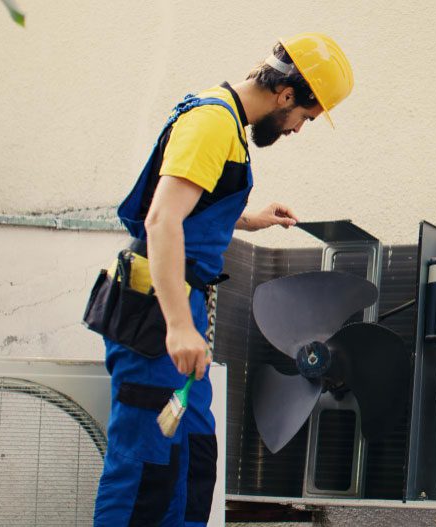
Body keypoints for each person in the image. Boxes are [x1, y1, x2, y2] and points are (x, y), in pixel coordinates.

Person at [93, 33, 353, 526]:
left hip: (177, 307)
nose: (299, 129)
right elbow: (161, 221)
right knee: (145, 469)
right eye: (306, 117)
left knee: (190, 462)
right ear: (286, 94)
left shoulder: (227, 123)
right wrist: (177, 326)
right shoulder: (213, 123)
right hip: (156, 314)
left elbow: (190, 209)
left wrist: (247, 219)